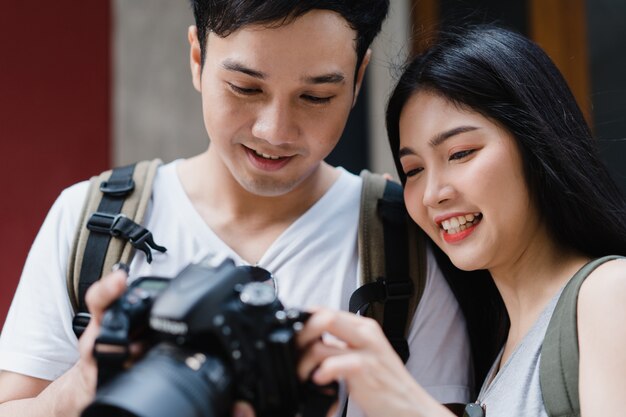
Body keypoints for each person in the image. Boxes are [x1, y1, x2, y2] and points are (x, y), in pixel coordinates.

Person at [0, 2, 473, 416]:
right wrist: (80, 388)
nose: (275, 131)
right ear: (197, 58)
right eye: (246, 88)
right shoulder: (91, 220)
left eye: (316, 97)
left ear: (357, 80)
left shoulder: (401, 243)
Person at [295, 24, 626, 417]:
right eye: (413, 170)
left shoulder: (608, 295)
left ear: (537, 144)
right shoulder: (497, 357)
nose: (434, 193)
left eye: (461, 153)